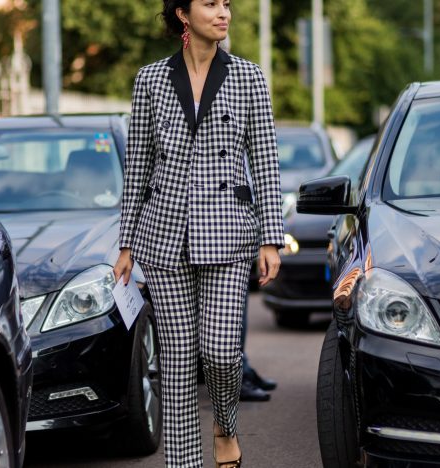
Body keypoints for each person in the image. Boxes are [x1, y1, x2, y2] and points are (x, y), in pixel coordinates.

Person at [112, 0, 284, 466]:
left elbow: (265, 163)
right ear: (183, 15)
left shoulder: (248, 77)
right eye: (211, 4)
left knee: (223, 353)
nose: (224, 13)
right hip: (164, 235)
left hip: (228, 233)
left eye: (227, 4)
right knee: (178, 364)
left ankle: (225, 425)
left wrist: (270, 236)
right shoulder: (150, 79)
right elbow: (138, 166)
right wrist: (126, 243)